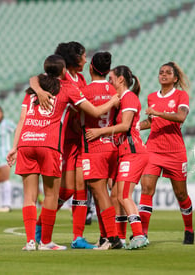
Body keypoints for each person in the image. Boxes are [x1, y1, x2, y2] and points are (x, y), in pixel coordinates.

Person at [7, 54, 119, 251]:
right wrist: (112, 101)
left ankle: (30, 241)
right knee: (51, 194)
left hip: (26, 143)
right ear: (63, 71)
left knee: (29, 196)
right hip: (50, 145)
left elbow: (22, 119)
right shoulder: (67, 89)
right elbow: (93, 111)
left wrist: (14, 147)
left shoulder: (31, 91)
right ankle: (46, 242)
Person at [30, 42, 93, 249]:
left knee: (81, 187)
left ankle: (78, 237)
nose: (86, 59)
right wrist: (38, 90)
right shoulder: (62, 77)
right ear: (75, 58)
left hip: (81, 140)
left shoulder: (82, 79)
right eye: (84, 56)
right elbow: (34, 79)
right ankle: (41, 227)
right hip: (63, 140)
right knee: (65, 191)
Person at [86, 65, 149, 249]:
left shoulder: (129, 97)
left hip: (133, 152)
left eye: (111, 79)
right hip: (125, 152)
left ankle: (138, 235)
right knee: (115, 196)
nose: (109, 83)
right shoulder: (120, 99)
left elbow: (125, 126)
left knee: (123, 195)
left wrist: (100, 132)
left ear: (121, 80)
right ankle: (120, 237)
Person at [138, 62, 194, 244]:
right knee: (146, 189)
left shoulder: (181, 95)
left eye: (168, 73)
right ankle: (142, 234)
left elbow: (180, 117)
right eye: (161, 72)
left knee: (181, 195)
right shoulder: (151, 97)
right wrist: (136, 126)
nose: (163, 75)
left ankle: (189, 229)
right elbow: (152, 121)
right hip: (153, 148)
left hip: (175, 152)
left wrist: (157, 112)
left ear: (175, 78)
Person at [79, 52, 124, 250]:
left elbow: (77, 117)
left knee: (100, 192)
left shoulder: (85, 91)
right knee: (101, 193)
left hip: (93, 145)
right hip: (111, 145)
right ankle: (105, 236)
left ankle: (114, 238)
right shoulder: (114, 90)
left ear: (90, 68)